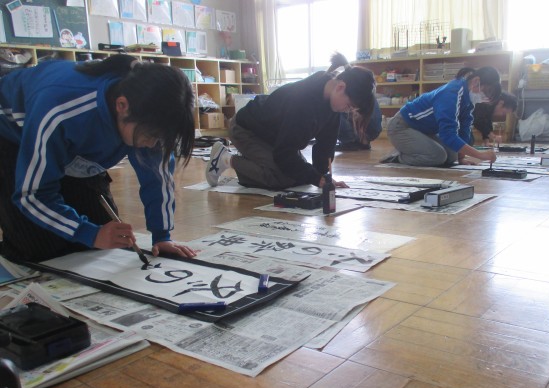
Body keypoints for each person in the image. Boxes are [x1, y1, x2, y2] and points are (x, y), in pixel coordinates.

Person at [0, 54, 197, 262]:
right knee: (39, 248)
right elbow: (31, 195)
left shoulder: (151, 118)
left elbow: (158, 178)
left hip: (73, 149)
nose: (152, 144)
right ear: (122, 106)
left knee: (105, 239)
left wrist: (162, 235)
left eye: (160, 139)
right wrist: (90, 233)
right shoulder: (60, 108)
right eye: (151, 136)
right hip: (13, 135)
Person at [204, 52, 376, 189]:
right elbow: (284, 154)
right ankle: (226, 158)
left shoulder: (332, 103)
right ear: (340, 87)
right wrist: (315, 178)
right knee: (281, 178)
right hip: (246, 129)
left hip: (274, 136)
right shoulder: (304, 101)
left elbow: (325, 146)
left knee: (299, 176)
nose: (347, 111)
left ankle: (255, 161)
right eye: (349, 106)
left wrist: (324, 178)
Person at [385, 66, 502, 167]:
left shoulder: (468, 99)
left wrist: (461, 158)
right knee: (437, 156)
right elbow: (448, 134)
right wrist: (480, 155)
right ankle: (399, 156)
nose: (483, 98)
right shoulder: (452, 93)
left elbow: (464, 129)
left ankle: (416, 148)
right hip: (402, 127)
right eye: (486, 92)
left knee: (452, 156)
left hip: (423, 131)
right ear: (476, 81)